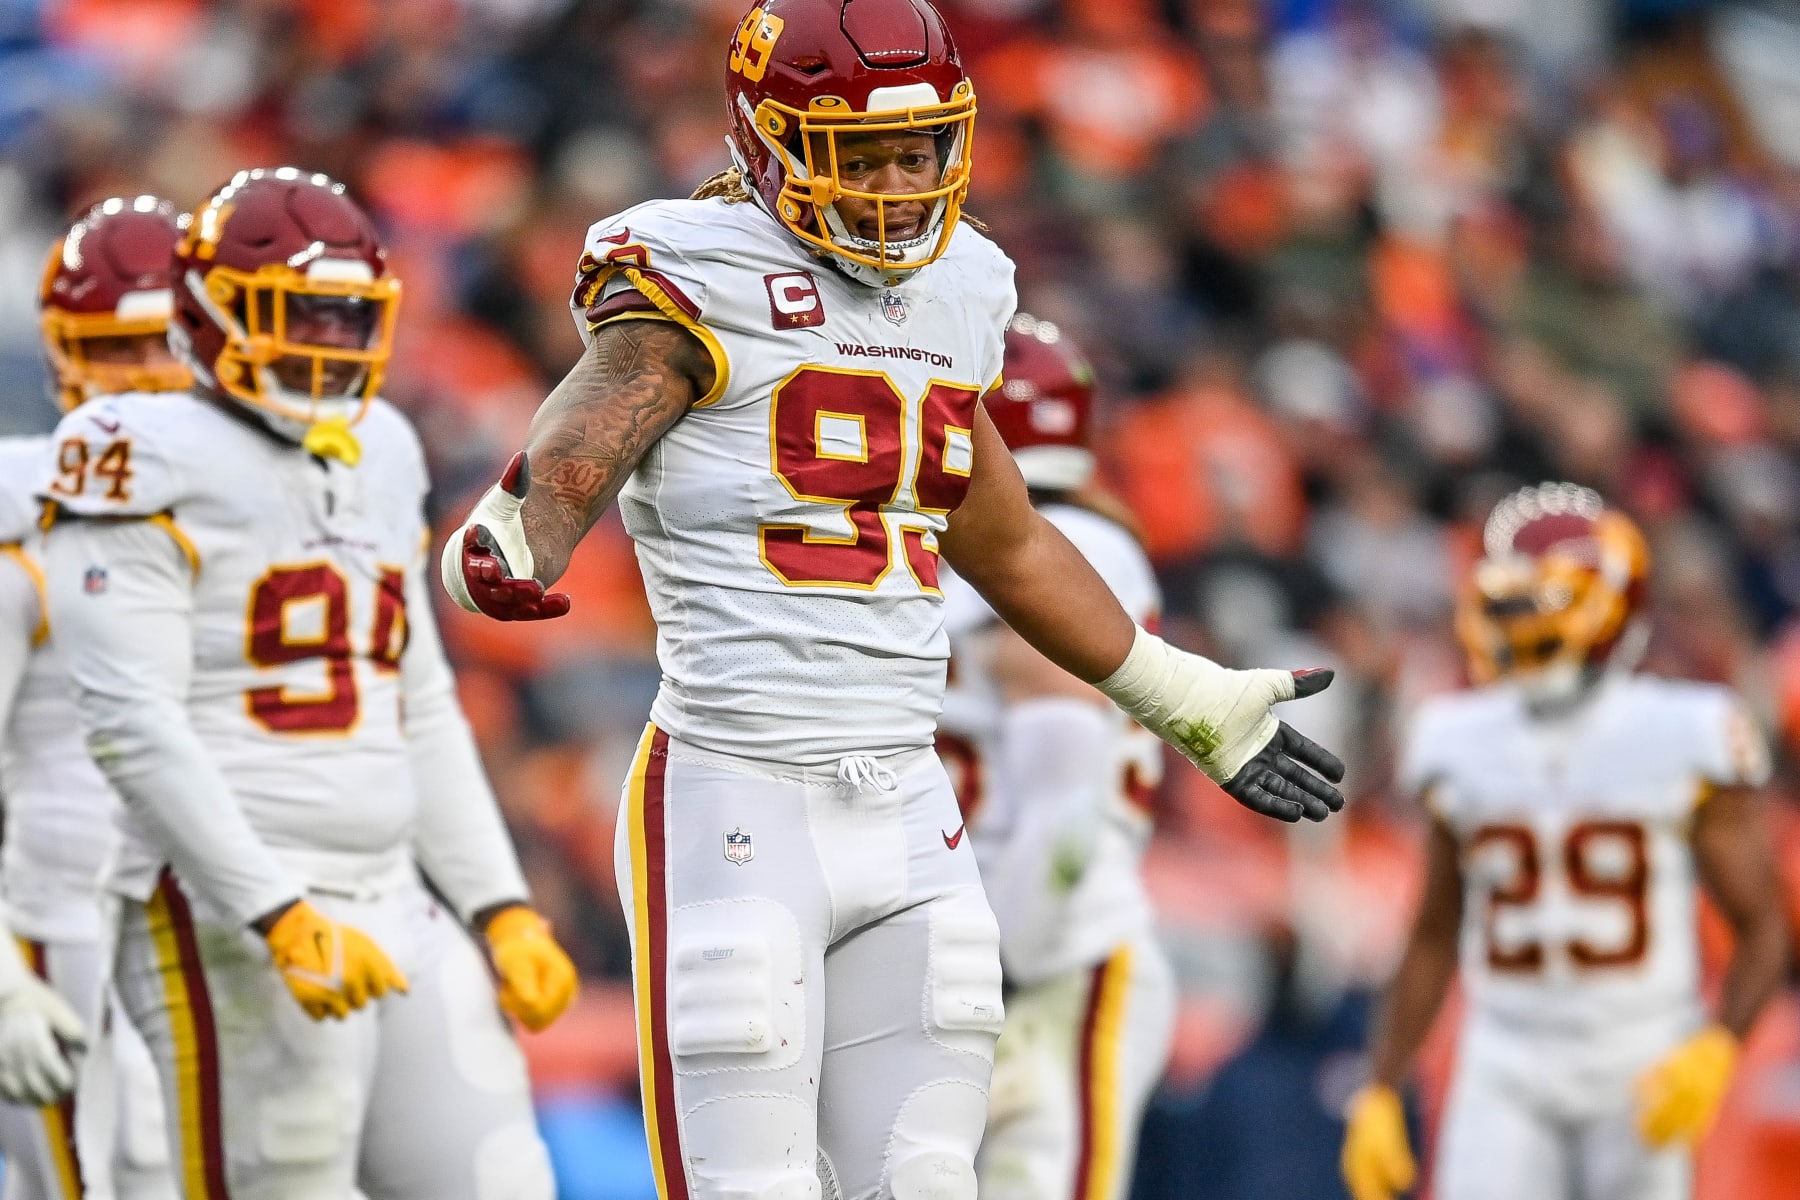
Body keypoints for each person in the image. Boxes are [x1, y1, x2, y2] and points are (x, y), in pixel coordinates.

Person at [441, 2, 1345, 1198]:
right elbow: (592, 417)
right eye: (859, 153)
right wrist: (520, 526)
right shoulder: (694, 271)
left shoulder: (961, 287)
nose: (896, 184)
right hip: (736, 787)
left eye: (918, 151)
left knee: (927, 1181)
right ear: (766, 143)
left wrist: (1186, 696)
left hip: (912, 803)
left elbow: (1009, 540)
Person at [39, 167, 579, 1200]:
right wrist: (274, 912)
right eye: (301, 317)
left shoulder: (378, 444)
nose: (329, 346)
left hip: (392, 893)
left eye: (347, 319)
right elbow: (130, 722)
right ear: (207, 314)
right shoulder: (127, 449)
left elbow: (416, 696)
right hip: (220, 902)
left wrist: (498, 903)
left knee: (500, 1177)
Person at [1340, 482, 1790, 1200]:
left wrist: (1716, 1046)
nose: (1512, 627)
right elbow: (1432, 931)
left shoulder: (1684, 731)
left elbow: (1764, 926)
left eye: (1536, 605)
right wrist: (1382, 1086)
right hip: (1507, 1057)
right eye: (1505, 604)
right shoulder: (1456, 736)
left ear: (1609, 606)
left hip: (1640, 1054)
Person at [936, 314, 1175, 1200]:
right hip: (989, 942)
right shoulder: (967, 545)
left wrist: (1001, 967)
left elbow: (1066, 789)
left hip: (1052, 955)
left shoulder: (1070, 548)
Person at [0, 194, 192, 1200]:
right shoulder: (20, 515)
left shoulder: (285, 500)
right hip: (69, 932)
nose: (152, 378)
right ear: (64, 359)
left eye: (169, 343)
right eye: (120, 351)